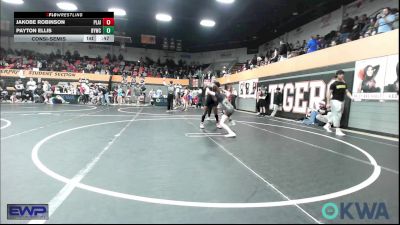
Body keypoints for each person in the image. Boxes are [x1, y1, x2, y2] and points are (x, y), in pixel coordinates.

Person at [325, 70, 355, 136]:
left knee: (338, 115)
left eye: (343, 74)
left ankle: (327, 125)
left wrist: (351, 97)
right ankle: (337, 130)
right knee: (337, 115)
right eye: (341, 74)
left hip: (342, 101)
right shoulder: (333, 84)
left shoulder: (344, 84)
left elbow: (347, 92)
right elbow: (329, 93)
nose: (342, 75)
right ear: (337, 75)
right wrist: (328, 103)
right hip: (335, 101)